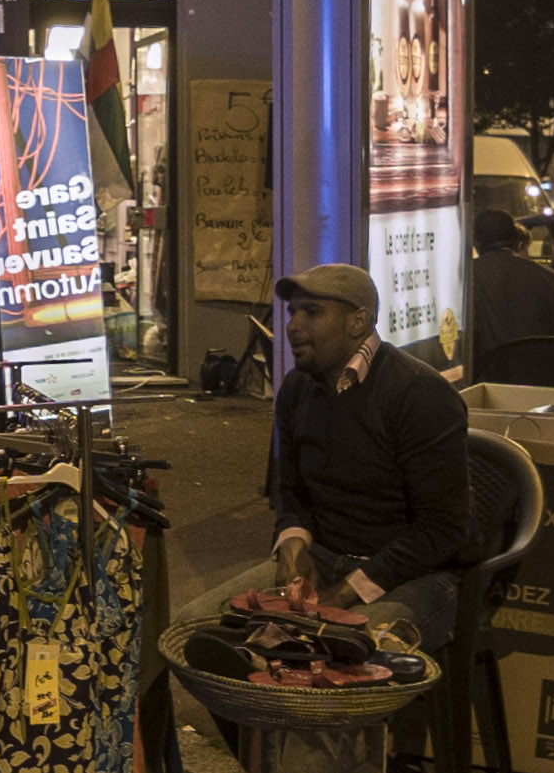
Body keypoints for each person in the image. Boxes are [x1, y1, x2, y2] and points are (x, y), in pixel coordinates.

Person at [175, 263, 469, 771]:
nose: (293, 326)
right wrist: (294, 546)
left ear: (358, 322)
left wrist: (347, 592)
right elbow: (292, 492)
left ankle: (288, 717)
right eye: (291, 312)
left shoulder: (419, 394)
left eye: (311, 312)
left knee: (327, 666)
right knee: (186, 631)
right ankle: (269, 749)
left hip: (415, 578)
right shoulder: (297, 389)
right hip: (327, 559)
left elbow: (444, 529)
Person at [469, 208, 554, 361]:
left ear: (476, 241)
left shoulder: (465, 280)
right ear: (515, 239)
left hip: (486, 378)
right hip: (544, 377)